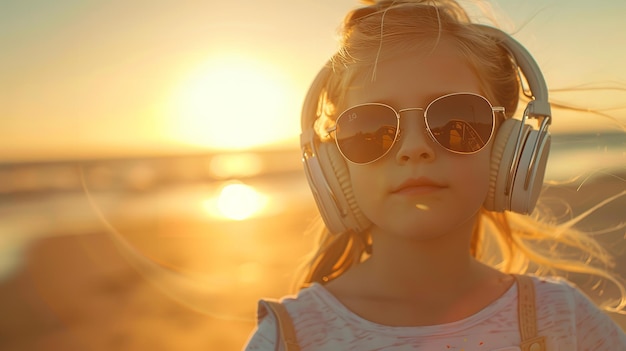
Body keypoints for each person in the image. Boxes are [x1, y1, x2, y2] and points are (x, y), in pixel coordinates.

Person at [244, 0, 626, 349]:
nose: (413, 147)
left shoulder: (561, 319)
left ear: (504, 145)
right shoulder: (289, 336)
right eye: (371, 129)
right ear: (334, 166)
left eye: (455, 118)